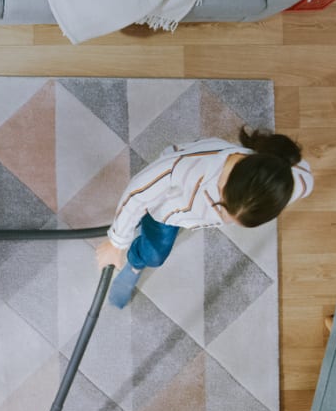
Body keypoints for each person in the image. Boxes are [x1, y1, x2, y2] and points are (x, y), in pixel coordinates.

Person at [96, 127, 314, 308]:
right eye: (223, 208)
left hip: (194, 214)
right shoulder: (183, 169)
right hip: (167, 210)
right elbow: (136, 195)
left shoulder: (289, 184)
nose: (226, 220)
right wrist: (116, 244)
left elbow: (304, 177)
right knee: (155, 255)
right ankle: (135, 264)